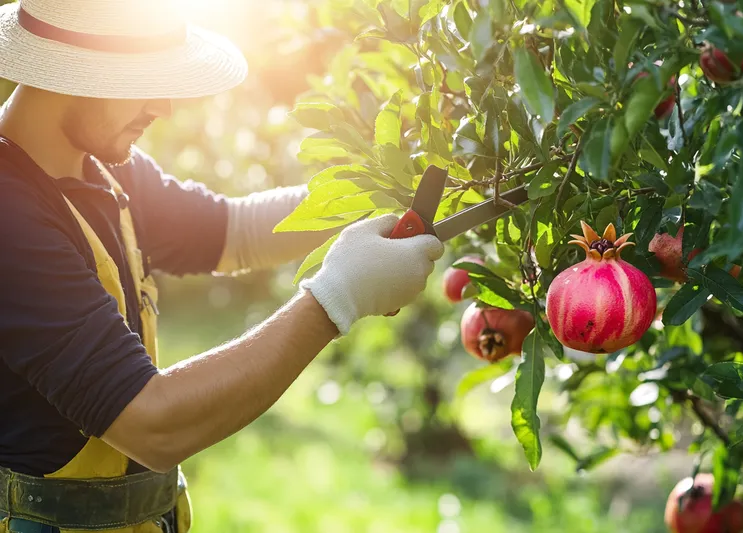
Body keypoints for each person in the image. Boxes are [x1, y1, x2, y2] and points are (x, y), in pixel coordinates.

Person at [0, 0, 445, 532]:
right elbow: (152, 424)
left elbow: (236, 231)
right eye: (143, 80)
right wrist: (338, 296)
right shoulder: (10, 214)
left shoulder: (99, 167)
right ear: (68, 70)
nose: (163, 106)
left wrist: (379, 189)